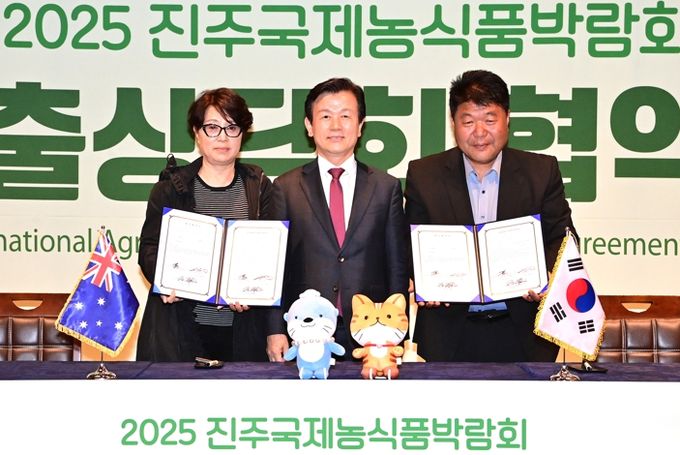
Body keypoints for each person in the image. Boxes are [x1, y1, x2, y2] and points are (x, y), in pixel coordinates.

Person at [404, 70, 577, 362]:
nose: (479, 132)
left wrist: (547, 277)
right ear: (453, 123)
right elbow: (408, 244)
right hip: (448, 333)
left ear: (507, 119)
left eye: (489, 119)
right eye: (468, 121)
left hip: (525, 332)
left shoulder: (541, 171)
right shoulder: (424, 175)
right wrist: (422, 279)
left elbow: (563, 240)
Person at [265, 77, 410, 361]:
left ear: (360, 125)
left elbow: (397, 268)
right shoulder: (285, 187)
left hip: (373, 332)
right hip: (304, 330)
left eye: (345, 116)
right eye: (325, 116)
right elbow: (275, 267)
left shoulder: (386, 187)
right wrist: (274, 329)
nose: (335, 126)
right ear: (309, 126)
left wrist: (397, 333)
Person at [137, 88, 273, 362]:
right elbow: (149, 249)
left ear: (243, 134)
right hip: (181, 328)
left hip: (242, 332)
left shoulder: (259, 186)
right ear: (197, 133)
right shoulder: (169, 189)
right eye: (212, 127)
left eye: (232, 127)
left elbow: (270, 253)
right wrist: (164, 280)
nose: (223, 137)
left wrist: (254, 290)